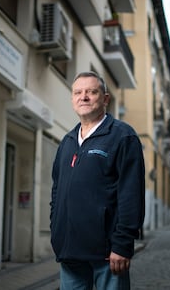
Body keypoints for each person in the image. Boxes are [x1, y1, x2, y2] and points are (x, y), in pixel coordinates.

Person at [50, 71, 145, 290]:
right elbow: (57, 191)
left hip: (107, 254)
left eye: (91, 92)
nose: (83, 97)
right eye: (78, 92)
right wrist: (57, 233)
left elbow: (131, 193)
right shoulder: (67, 142)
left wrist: (122, 244)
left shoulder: (122, 136)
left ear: (105, 99)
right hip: (69, 253)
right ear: (73, 99)